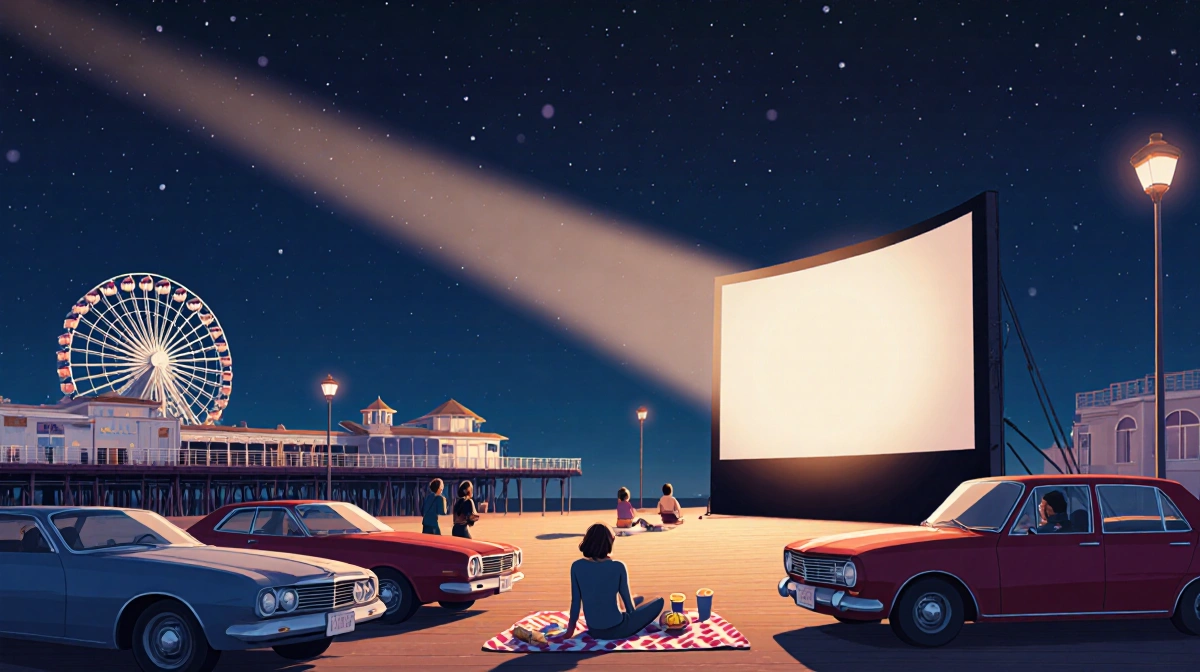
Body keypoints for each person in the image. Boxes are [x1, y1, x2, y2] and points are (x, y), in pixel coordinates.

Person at [560, 523, 664, 641]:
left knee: (638, 600)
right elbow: (629, 606)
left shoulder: (576, 566)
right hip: (619, 629)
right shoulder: (618, 566)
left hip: (595, 630)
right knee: (659, 601)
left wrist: (569, 632)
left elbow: (575, 603)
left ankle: (628, 609)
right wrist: (639, 621)